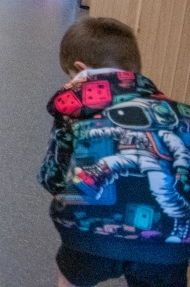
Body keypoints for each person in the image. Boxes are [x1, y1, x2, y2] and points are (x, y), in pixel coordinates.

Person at [39, 17, 190, 287]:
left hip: (88, 236)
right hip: (169, 244)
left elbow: (52, 179)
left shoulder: (74, 111)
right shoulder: (184, 117)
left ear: (80, 70)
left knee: (71, 278)